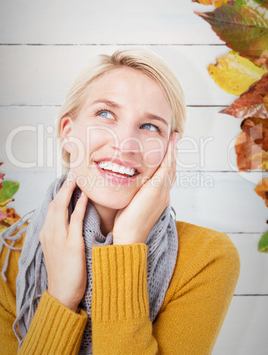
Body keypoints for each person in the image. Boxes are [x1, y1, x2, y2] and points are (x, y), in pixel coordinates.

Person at [0, 49, 240, 354]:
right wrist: (61, 297)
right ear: (68, 131)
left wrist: (126, 248)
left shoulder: (207, 257)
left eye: (150, 126)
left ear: (170, 150)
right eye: (105, 114)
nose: (125, 144)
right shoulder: (9, 260)